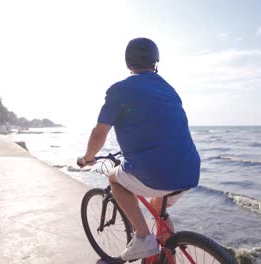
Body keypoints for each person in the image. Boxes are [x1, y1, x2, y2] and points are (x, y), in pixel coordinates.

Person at [77, 37, 200, 261]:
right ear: (156, 62)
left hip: (154, 172)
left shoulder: (120, 89)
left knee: (115, 179)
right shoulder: (169, 89)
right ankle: (167, 252)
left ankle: (143, 239)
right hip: (190, 171)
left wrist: (87, 158)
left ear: (128, 62)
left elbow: (100, 131)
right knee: (158, 211)